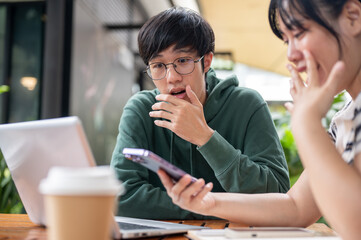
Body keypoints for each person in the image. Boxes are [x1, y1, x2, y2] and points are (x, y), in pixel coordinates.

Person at [158, 0, 361, 238]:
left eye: (300, 33)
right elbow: (296, 207)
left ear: (353, 16)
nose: (291, 55)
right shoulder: (345, 118)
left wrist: (307, 126)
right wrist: (207, 202)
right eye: (287, 40)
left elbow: (355, 225)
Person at [111, 7, 290, 220]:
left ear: (206, 61)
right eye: (158, 65)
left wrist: (205, 137)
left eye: (183, 61)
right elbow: (120, 196)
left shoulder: (247, 104)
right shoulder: (141, 110)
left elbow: (277, 193)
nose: (172, 77)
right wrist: (207, 207)